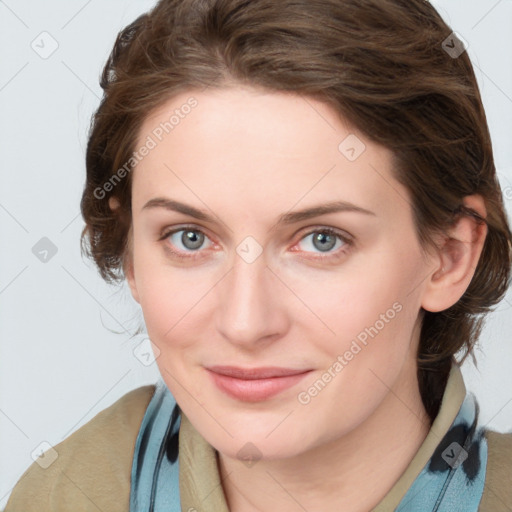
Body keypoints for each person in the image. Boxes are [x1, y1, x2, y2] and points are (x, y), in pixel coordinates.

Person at [4, 0, 512, 510]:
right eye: (190, 238)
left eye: (322, 240)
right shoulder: (63, 495)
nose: (246, 324)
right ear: (131, 252)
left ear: (449, 256)